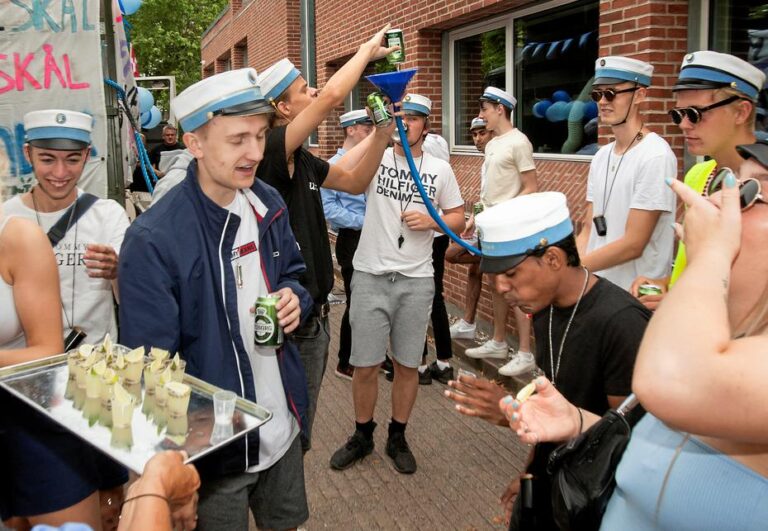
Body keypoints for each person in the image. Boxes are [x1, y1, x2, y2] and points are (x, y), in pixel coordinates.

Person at [501, 145, 768, 529]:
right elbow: (652, 451)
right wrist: (579, 423)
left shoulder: (688, 357)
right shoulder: (717, 334)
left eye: (748, 194)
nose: (717, 204)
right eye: (727, 184)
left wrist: (711, 253)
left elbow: (668, 383)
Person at [118, 68, 312, 530]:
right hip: (211, 452)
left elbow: (296, 276)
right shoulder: (153, 240)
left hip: (281, 429)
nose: (255, 152)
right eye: (238, 139)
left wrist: (293, 299)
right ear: (195, 144)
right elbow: (149, 372)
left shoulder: (267, 202)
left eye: (261, 136)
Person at [446, 192, 650, 529]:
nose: (501, 287)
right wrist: (531, 474)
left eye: (510, 273)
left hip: (591, 504)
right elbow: (554, 395)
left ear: (553, 258)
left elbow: (627, 446)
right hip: (550, 486)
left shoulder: (623, 324)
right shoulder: (543, 307)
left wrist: (517, 416)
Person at [255, 26, 397, 452]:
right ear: (282, 108)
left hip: (316, 318)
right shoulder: (270, 152)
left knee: (301, 433)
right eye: (304, 89)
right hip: (285, 320)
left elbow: (354, 180)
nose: (315, 90)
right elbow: (334, 95)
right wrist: (366, 52)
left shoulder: (304, 160)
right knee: (278, 432)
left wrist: (383, 135)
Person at [329, 94, 465, 474]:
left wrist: (434, 221)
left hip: (416, 279)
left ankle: (397, 435)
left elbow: (459, 217)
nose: (405, 124)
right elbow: (341, 176)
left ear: (426, 124)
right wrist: (376, 134)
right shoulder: (377, 157)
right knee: (364, 364)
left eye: (413, 118)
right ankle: (362, 434)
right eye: (399, 118)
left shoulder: (440, 169)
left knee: (407, 365)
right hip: (371, 274)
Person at [0, 149, 102, 530]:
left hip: (30, 414)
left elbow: (48, 351)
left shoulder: (17, 237)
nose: (60, 172)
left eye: (72, 159)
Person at [629, 51, 764, 309]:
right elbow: (694, 266)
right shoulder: (698, 175)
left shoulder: (763, 187)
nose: (684, 125)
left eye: (695, 113)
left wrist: (678, 300)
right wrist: (666, 284)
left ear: (741, 112)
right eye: (679, 114)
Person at [3, 110, 131, 349]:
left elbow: (132, 304)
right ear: (28, 154)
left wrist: (118, 271)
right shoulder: (7, 219)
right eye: (47, 159)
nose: (60, 173)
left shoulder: (108, 215)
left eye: (72, 160)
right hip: (24, 366)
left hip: (94, 365)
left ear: (86, 155)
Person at [575, 56, 677, 293]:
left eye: (611, 93)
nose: (602, 101)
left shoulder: (655, 155)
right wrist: (572, 273)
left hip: (634, 296)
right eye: (596, 95)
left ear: (639, 95)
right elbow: (589, 229)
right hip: (597, 290)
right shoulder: (602, 156)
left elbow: (633, 244)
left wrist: (570, 271)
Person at [465, 87, 536, 378]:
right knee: (495, 282)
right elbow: (490, 188)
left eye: (484, 110)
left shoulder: (519, 143)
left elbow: (531, 187)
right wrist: (477, 214)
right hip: (490, 225)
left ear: (500, 110)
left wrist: (502, 211)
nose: (481, 116)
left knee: (514, 288)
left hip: (510, 227)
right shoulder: (494, 144)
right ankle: (497, 342)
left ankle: (524, 353)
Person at [321, 109, 374, 381]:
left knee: (374, 300)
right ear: (351, 130)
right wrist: (365, 220)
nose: (370, 132)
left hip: (377, 238)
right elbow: (328, 208)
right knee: (357, 302)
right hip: (353, 239)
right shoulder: (333, 166)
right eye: (366, 128)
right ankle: (346, 360)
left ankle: (374, 355)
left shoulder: (374, 160)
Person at [447, 117, 493, 341]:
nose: (477, 139)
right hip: (481, 225)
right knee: (474, 272)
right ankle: (468, 323)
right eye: (474, 134)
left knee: (451, 254)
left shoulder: (498, 157)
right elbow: (483, 199)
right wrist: (471, 221)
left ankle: (491, 259)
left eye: (482, 133)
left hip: (495, 228)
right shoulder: (486, 161)